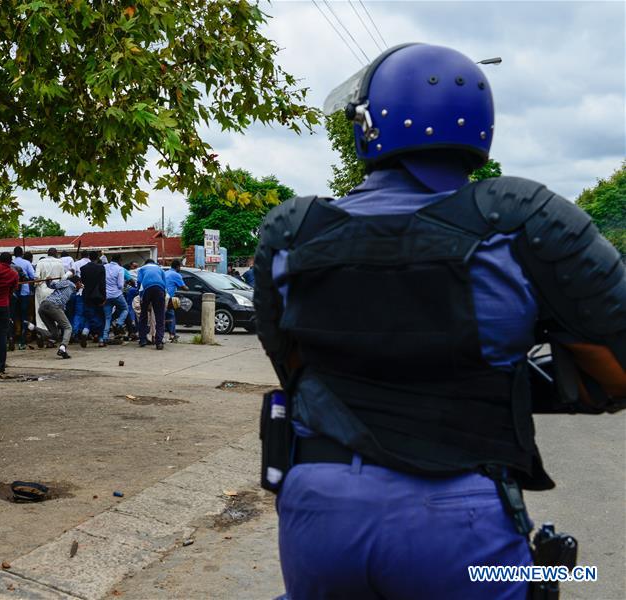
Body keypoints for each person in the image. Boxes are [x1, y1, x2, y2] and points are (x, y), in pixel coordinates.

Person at [254, 43, 626, 599]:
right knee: (552, 576)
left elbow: (294, 369)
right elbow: (616, 371)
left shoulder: (290, 231)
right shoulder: (523, 218)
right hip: (459, 521)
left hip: (318, 509)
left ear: (367, 125)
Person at [33, 275, 83, 359]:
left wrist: (48, 281)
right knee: (68, 327)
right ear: (77, 282)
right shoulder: (68, 283)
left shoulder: (72, 288)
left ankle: (37, 332)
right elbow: (54, 285)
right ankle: (62, 348)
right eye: (80, 283)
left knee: (55, 334)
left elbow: (51, 286)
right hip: (54, 305)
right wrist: (49, 281)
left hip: (43, 306)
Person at [137, 259, 167, 349]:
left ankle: (142, 340)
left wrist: (141, 297)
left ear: (146, 263)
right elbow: (165, 283)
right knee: (160, 316)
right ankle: (159, 342)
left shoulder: (142, 269)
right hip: (159, 288)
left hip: (146, 289)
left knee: (143, 315)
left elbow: (139, 283)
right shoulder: (160, 269)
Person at [78, 251, 107, 345]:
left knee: (88, 315)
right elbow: (102, 284)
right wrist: (104, 297)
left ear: (89, 257)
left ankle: (85, 331)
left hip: (86, 295)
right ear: (97, 257)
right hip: (98, 295)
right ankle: (101, 339)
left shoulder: (83, 268)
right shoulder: (101, 268)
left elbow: (83, 282)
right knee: (101, 316)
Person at [12, 247, 36, 349]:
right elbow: (33, 276)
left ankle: (15, 335)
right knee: (25, 316)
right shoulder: (26, 263)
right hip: (25, 293)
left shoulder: (11, 263)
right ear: (22, 253)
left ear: (14, 254)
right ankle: (23, 340)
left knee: (15, 315)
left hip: (13, 293)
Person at [34, 248, 64, 330]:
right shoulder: (60, 262)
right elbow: (63, 279)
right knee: (55, 313)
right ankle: (53, 333)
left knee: (40, 312)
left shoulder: (40, 262)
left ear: (48, 254)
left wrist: (37, 283)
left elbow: (36, 277)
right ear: (56, 254)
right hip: (55, 291)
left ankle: (41, 331)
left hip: (42, 290)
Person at [100, 255, 128, 346]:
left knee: (107, 317)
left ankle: (104, 337)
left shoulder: (104, 267)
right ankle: (119, 324)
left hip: (106, 296)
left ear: (111, 259)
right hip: (117, 294)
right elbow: (120, 285)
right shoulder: (120, 269)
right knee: (125, 309)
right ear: (120, 260)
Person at [164, 259, 189, 343]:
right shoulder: (176, 275)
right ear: (178, 266)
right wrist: (188, 288)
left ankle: (167, 334)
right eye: (180, 266)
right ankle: (172, 335)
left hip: (160, 296)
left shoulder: (165, 272)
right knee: (171, 316)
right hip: (169, 299)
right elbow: (184, 287)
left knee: (163, 316)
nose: (180, 268)